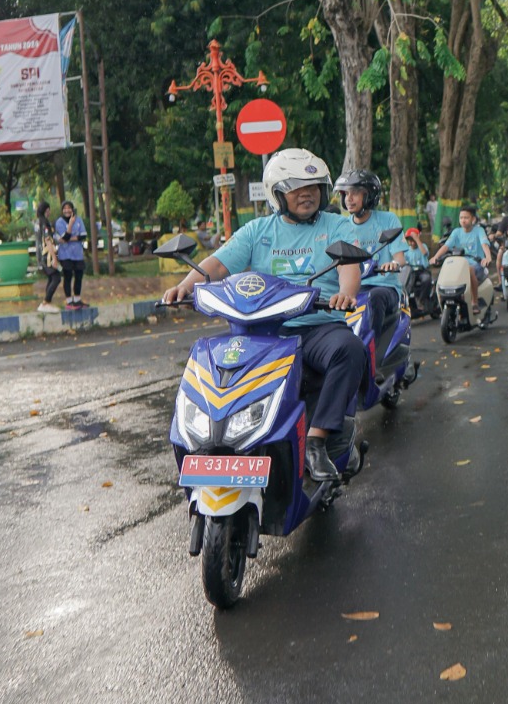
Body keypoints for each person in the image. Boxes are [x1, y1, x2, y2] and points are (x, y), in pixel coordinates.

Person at [161, 148, 368, 481]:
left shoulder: (337, 226)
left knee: (350, 349)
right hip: (263, 333)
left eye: (313, 187)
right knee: (212, 364)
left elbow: (349, 268)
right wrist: (185, 286)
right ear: (277, 194)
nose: (307, 194)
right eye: (297, 188)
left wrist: (346, 293)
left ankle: (316, 441)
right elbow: (217, 265)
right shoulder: (257, 231)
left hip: (317, 328)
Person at [332, 169, 408, 341]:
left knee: (374, 297)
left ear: (369, 196)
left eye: (355, 193)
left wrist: (393, 264)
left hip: (384, 287)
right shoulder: (342, 226)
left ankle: (371, 347)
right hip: (354, 288)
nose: (349, 199)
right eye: (346, 194)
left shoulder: (388, 220)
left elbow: (400, 258)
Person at [431, 205, 493, 310]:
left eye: (466, 217)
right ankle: (441, 302)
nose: (463, 220)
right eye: (461, 218)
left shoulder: (479, 230)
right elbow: (446, 246)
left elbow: (484, 244)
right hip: (459, 265)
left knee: (470, 269)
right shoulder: (456, 232)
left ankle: (474, 302)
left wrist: (488, 257)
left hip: (476, 264)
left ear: (473, 219)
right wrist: (435, 257)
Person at [54, 202, 89, 309]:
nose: (67, 210)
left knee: (79, 276)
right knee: (68, 276)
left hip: (78, 254)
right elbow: (64, 237)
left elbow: (83, 235)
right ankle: (69, 301)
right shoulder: (59, 222)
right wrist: (70, 225)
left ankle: (77, 299)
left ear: (72, 209)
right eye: (64, 208)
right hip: (65, 254)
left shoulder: (78, 220)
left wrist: (69, 239)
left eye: (69, 208)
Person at [35, 202, 62, 313]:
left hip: (40, 255)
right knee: (56, 278)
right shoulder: (45, 223)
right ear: (46, 210)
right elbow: (48, 240)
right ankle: (45, 302)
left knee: (51, 278)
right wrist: (54, 258)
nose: (50, 212)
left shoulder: (37, 222)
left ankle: (47, 302)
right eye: (49, 209)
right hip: (47, 255)